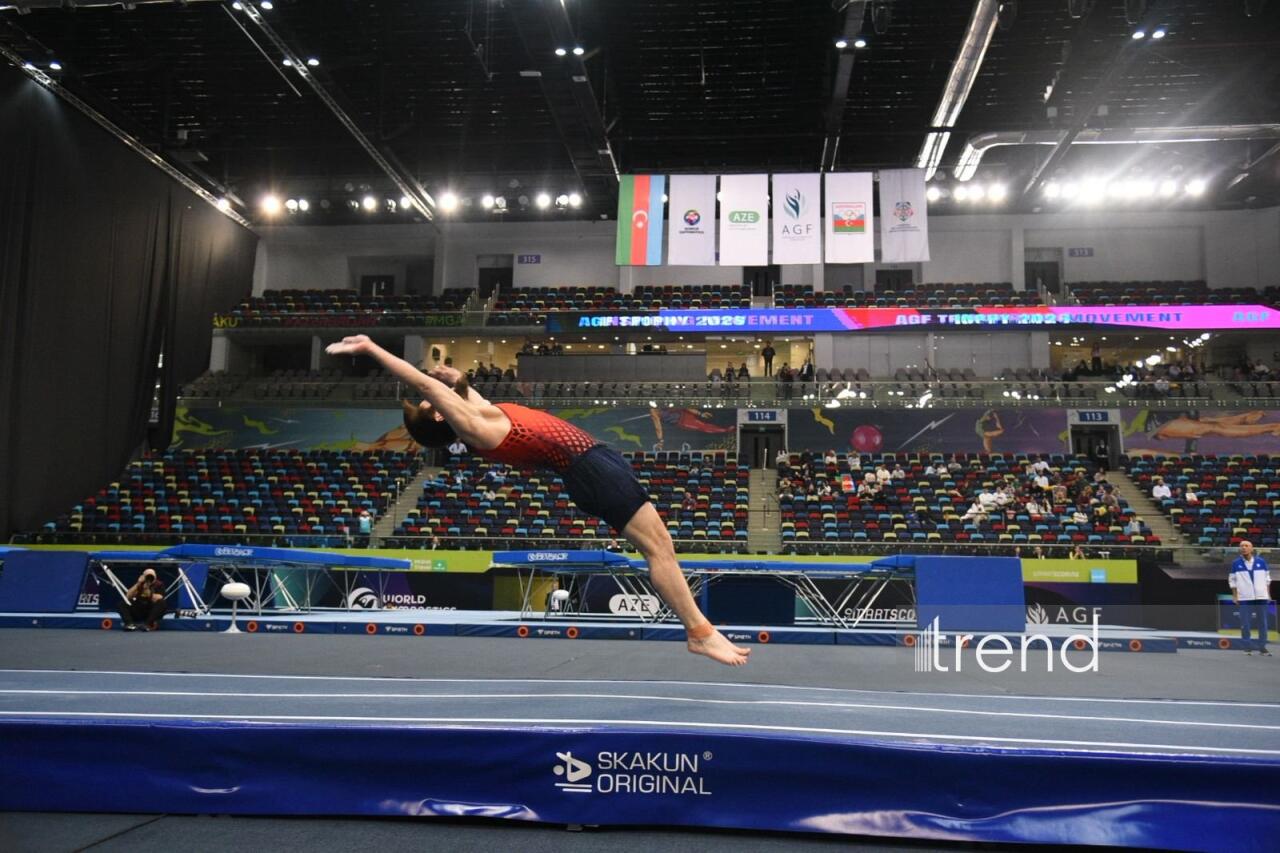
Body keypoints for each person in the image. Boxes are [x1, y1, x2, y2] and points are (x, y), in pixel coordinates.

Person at [327, 334, 750, 666]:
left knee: (663, 548)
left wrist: (457, 380)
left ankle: (698, 629)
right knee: (659, 549)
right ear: (441, 414)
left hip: (594, 461)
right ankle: (698, 631)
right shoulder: (473, 427)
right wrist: (371, 348)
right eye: (432, 399)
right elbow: (422, 382)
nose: (434, 391)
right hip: (590, 470)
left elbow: (464, 390)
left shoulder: (482, 414)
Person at [1230, 541, 1272, 656]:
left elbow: (1267, 579)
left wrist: (1267, 594)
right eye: (1242, 546)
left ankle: (1262, 647)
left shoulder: (1261, 562)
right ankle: (1247, 647)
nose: (1244, 548)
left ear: (1252, 549)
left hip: (1261, 597)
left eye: (1246, 546)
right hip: (1244, 597)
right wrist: (1235, 596)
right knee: (1245, 623)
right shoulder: (1235, 563)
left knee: (1262, 622)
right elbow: (1232, 581)